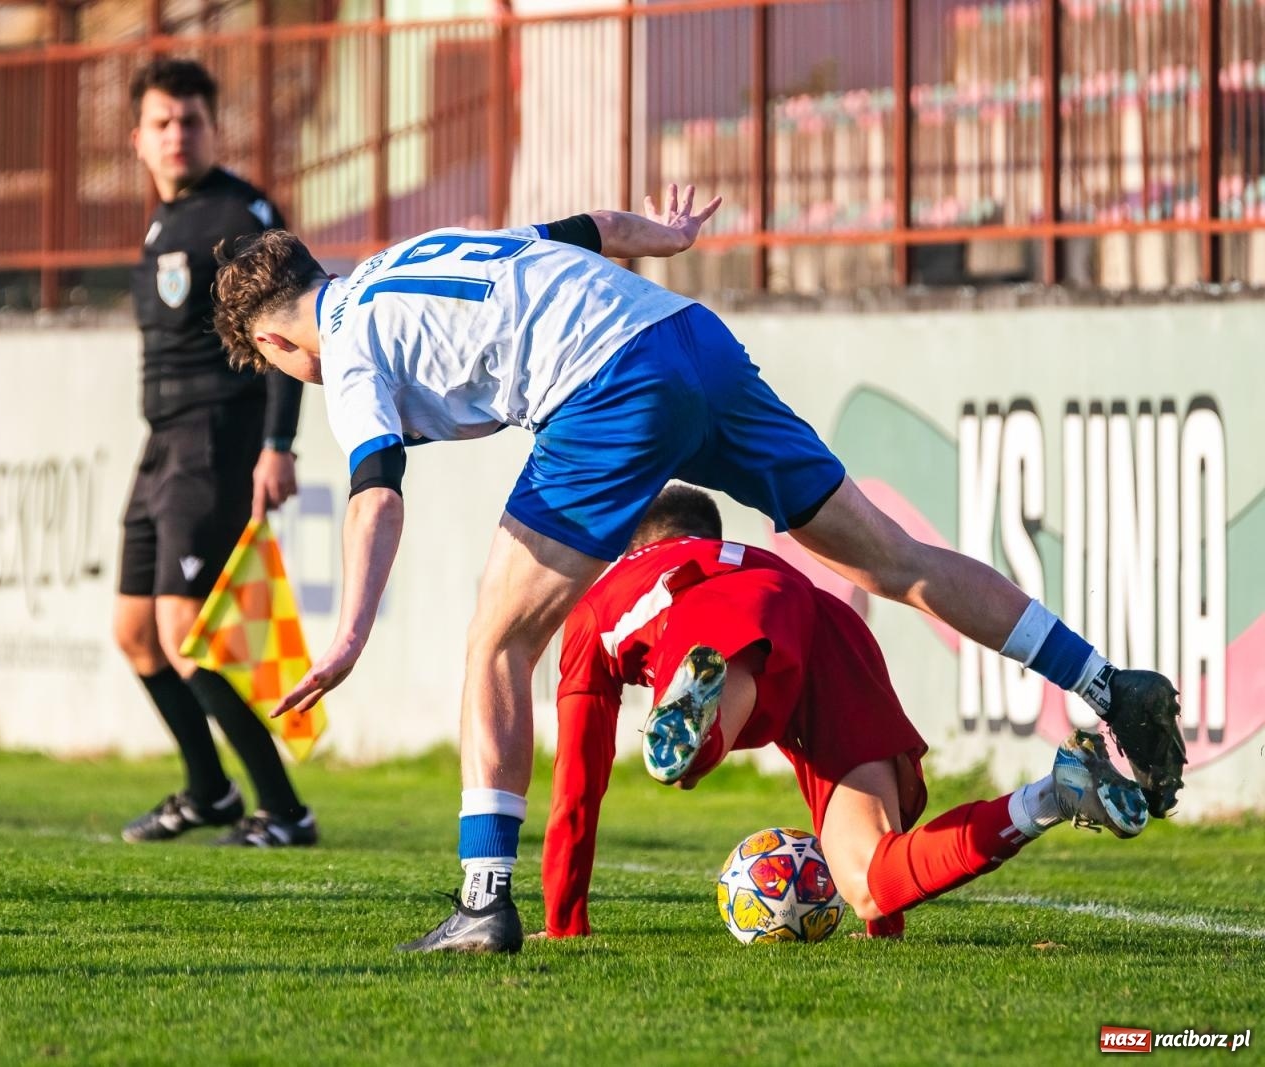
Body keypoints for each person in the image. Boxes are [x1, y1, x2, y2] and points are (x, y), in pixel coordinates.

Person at [209, 186, 1184, 950]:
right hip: (691, 338)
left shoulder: (342, 348)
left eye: (275, 362)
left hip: (606, 388)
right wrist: (664, 237)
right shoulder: (416, 252)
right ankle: (1105, 680)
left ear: (274, 337)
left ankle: (482, 900)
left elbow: (376, 485)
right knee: (889, 556)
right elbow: (582, 227)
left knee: (495, 644)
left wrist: (348, 634)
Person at [539, 485, 1148, 943]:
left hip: (700, 613)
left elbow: (577, 782)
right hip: (825, 625)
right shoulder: (744, 552)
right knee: (868, 883)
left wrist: (566, 920)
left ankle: (699, 724)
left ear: (629, 545)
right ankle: (1057, 795)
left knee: (702, 734)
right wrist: (885, 925)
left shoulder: (602, 596)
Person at [114, 57, 316, 848]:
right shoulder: (167, 219)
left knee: (184, 633)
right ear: (137, 139)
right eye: (161, 122)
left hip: (214, 440)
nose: (176, 135)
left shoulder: (237, 214)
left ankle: (285, 810)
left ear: (213, 128)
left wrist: (277, 443)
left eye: (190, 120)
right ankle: (209, 792)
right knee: (134, 633)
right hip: (161, 443)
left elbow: (291, 327)